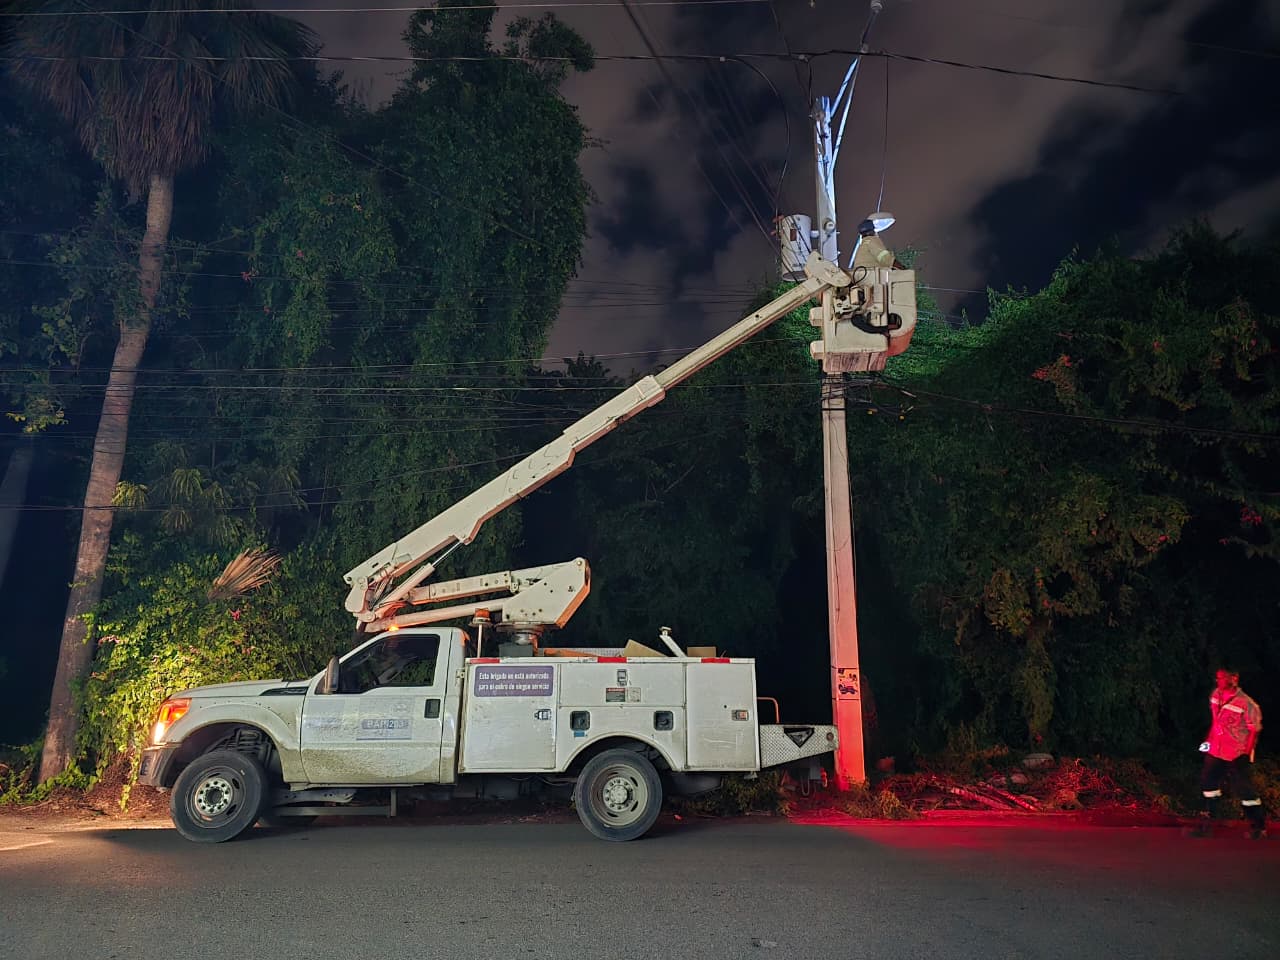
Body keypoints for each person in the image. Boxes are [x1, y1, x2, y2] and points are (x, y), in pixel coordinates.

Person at [1191, 667, 1266, 839]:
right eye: (1218, 678)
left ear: (1235, 678)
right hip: (1217, 749)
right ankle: (1207, 823)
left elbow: (1253, 730)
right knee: (1208, 782)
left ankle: (1258, 826)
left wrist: (1245, 754)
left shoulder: (1247, 704)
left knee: (1244, 790)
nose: (1219, 681)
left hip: (1236, 752)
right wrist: (1208, 742)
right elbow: (1216, 722)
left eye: (1223, 678)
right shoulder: (1216, 695)